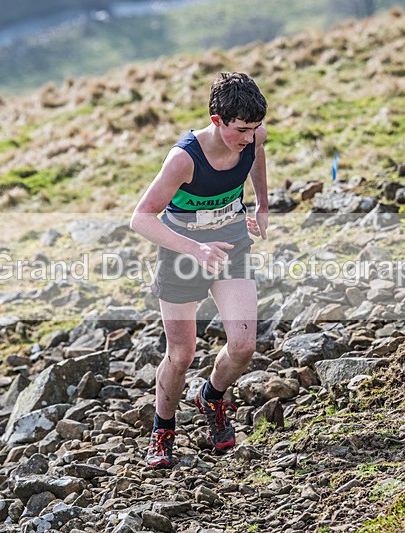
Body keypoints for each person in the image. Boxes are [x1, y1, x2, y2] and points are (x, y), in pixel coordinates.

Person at [129, 72, 269, 469]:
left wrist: (261, 205)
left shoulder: (253, 136)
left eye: (254, 129)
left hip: (232, 248)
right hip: (181, 255)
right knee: (182, 354)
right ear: (216, 120)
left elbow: (257, 159)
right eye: (240, 130)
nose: (248, 138)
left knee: (243, 345)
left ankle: (211, 396)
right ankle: (163, 428)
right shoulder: (183, 159)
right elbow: (141, 218)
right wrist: (195, 247)